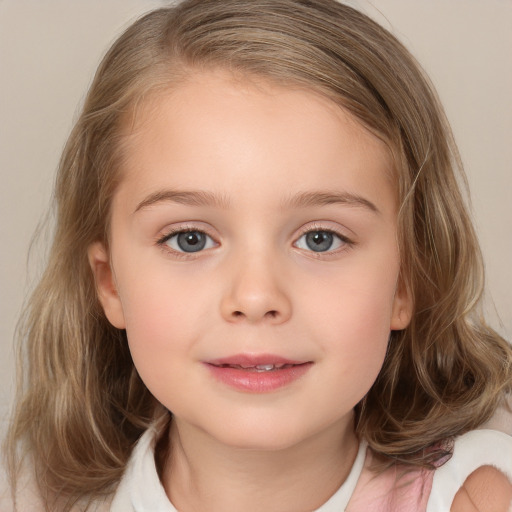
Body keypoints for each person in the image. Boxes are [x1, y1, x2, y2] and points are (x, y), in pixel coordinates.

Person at [2, 0, 511, 511]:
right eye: (190, 239)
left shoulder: (475, 497)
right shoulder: (30, 498)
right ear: (111, 283)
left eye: (320, 239)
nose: (255, 296)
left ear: (406, 280)